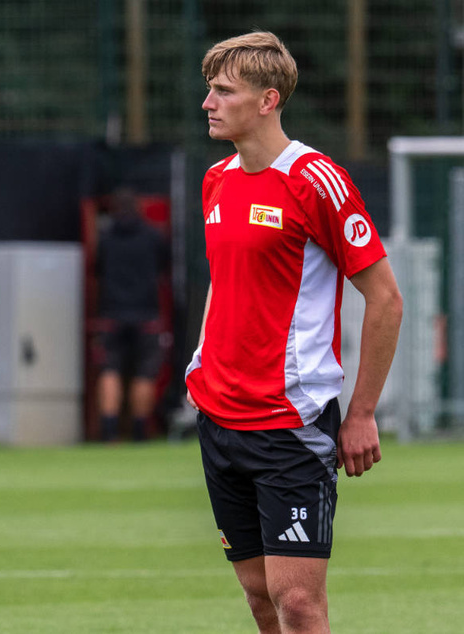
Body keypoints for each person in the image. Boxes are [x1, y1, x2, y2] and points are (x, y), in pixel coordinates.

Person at [184, 32, 402, 633]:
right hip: (219, 418)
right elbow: (222, 282)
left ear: (267, 100)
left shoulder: (316, 181)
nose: (208, 102)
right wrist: (200, 361)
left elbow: (385, 300)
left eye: (224, 91)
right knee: (259, 597)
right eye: (209, 89)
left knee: (298, 602)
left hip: (290, 424)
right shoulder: (217, 180)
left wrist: (360, 414)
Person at [94, 187, 169, 441]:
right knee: (144, 373)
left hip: (111, 314)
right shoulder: (152, 236)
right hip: (147, 315)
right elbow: (163, 269)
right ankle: (139, 431)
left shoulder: (105, 238)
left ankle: (110, 432)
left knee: (109, 370)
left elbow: (97, 270)